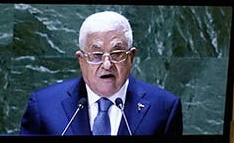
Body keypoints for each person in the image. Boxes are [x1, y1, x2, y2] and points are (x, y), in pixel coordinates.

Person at [20, 11, 183, 136]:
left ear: (131, 57)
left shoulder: (164, 108)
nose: (107, 64)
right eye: (96, 55)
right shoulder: (44, 106)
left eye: (117, 53)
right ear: (81, 59)